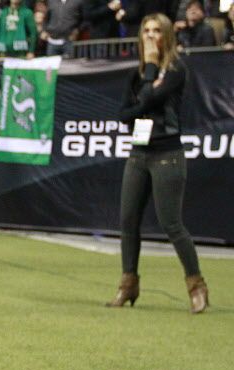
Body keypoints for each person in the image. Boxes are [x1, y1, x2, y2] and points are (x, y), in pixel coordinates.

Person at [111, 13, 208, 313]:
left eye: (156, 31)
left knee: (171, 223)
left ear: (166, 35)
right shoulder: (136, 73)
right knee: (128, 222)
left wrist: (151, 71)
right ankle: (129, 284)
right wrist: (143, 97)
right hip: (138, 154)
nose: (150, 36)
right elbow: (124, 114)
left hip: (167, 155)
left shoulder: (177, 69)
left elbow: (149, 100)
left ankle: (196, 285)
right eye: (146, 31)